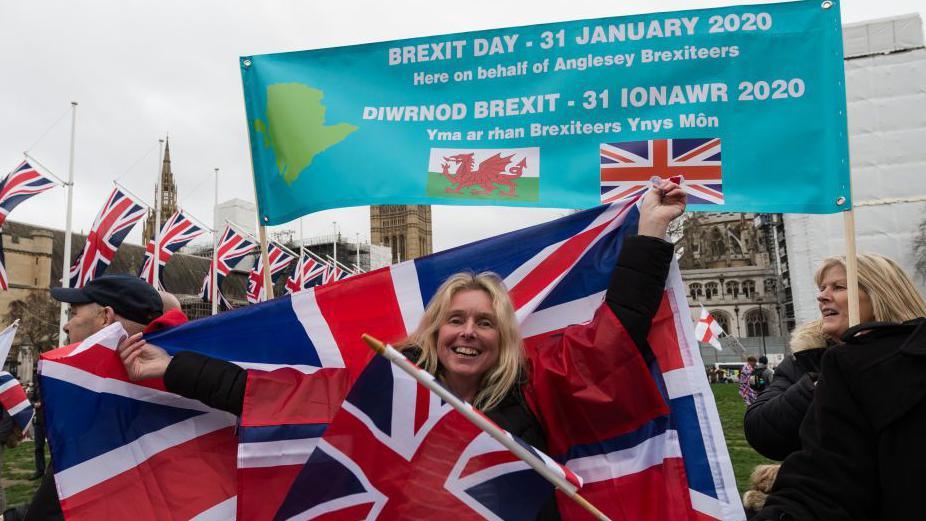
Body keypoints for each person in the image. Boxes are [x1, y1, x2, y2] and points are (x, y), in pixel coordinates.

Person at [118, 180, 687, 519]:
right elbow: (274, 395)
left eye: (485, 323)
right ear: (434, 330)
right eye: (456, 319)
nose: (468, 332)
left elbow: (615, 335)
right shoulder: (387, 388)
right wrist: (172, 367)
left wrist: (650, 231)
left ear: (504, 337)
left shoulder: (535, 387)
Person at [755, 254, 926, 520]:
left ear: (880, 293)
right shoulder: (809, 360)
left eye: (838, 287)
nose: (822, 296)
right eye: (821, 288)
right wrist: (819, 384)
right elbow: (763, 429)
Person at [17, 276, 169, 521]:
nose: (66, 326)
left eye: (74, 313)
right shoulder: (158, 396)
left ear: (105, 318)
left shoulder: (102, 410)